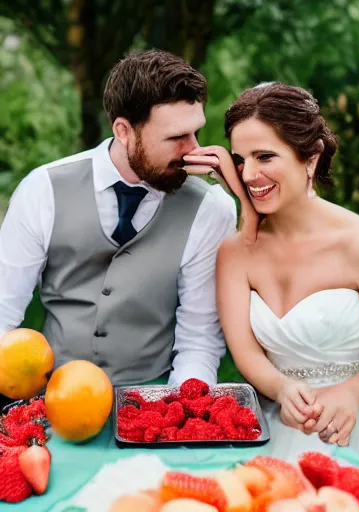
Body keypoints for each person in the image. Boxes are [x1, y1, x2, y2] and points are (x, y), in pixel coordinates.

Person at [184, 82, 359, 511]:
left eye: (265, 156)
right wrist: (282, 388)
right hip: (280, 422)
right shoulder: (236, 252)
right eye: (240, 161)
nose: (250, 174)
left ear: (311, 157)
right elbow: (247, 353)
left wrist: (351, 394)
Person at [0, 49, 237, 402]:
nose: (193, 150)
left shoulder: (212, 208)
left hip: (152, 400)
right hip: (50, 402)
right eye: (176, 137)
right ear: (124, 130)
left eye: (196, 132)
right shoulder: (43, 190)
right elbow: (3, 311)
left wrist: (176, 413)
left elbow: (199, 338)